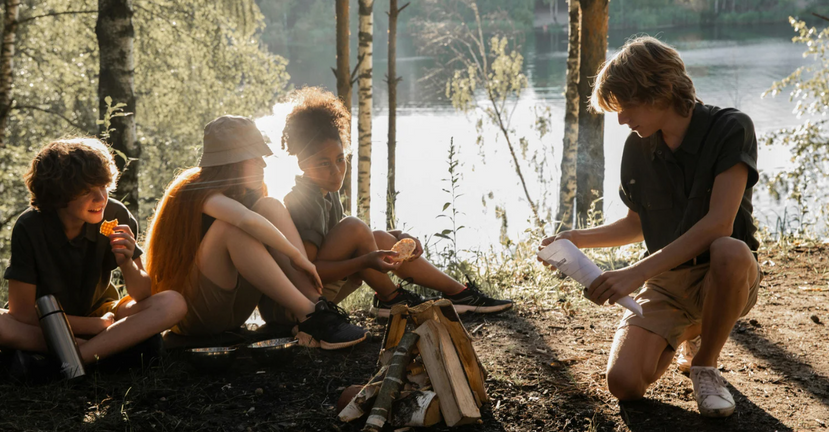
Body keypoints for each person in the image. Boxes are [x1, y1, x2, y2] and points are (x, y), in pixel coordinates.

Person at [538, 36, 760, 418]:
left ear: (659, 91)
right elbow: (635, 224)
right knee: (624, 384)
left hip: (724, 277)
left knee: (729, 248)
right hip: (666, 284)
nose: (621, 118)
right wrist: (575, 239)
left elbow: (718, 223)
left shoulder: (730, 128)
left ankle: (705, 365)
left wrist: (635, 273)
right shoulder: (638, 146)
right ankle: (690, 329)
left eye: (627, 106)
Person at [274, 87, 513, 322]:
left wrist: (397, 236)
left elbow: (345, 244)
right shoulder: (302, 200)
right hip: (298, 307)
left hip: (323, 295)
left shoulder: (326, 192)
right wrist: (365, 260)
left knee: (380, 237)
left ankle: (460, 294)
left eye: (340, 159)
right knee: (356, 228)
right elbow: (310, 271)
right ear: (303, 164)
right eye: (323, 163)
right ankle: (390, 297)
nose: (336, 171)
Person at [144, 115, 367, 350]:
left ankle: (318, 308)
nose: (263, 164)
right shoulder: (197, 193)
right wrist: (297, 255)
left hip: (232, 312)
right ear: (232, 163)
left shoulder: (248, 192)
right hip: (195, 315)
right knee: (230, 228)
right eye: (255, 158)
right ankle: (310, 315)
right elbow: (245, 220)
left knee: (270, 205)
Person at [0, 138, 187, 367]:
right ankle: (105, 350)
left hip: (104, 312)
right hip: (46, 322)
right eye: (87, 191)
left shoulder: (115, 214)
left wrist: (127, 264)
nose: (101, 198)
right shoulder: (30, 227)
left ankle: (71, 359)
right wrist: (95, 327)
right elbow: (22, 314)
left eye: (104, 186)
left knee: (173, 303)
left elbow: (142, 294)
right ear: (58, 194)